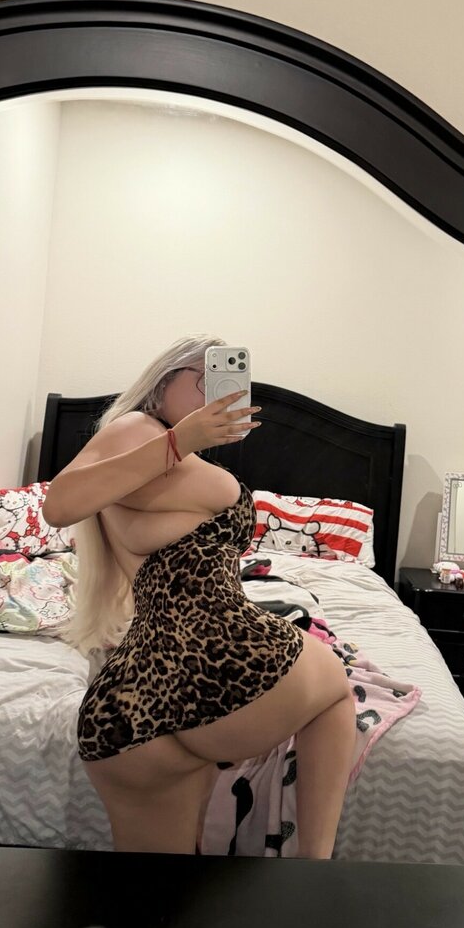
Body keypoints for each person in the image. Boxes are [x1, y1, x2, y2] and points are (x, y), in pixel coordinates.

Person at [43, 334, 356, 858]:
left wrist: (185, 446)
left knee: (163, 899)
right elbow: (58, 505)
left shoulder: (142, 458)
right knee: (335, 690)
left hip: (128, 710)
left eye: (226, 380)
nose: (217, 392)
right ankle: (315, 872)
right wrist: (183, 441)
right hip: (214, 671)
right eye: (204, 377)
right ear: (163, 379)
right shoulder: (139, 430)